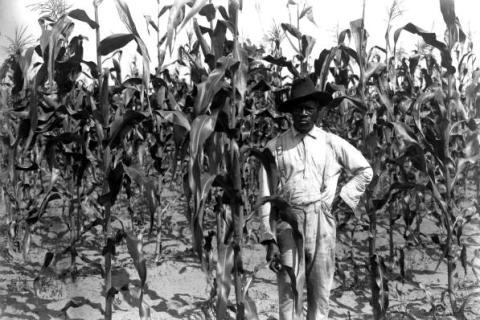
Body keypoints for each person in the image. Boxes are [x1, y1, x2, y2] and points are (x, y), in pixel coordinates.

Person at [258, 77, 373, 320]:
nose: (303, 114)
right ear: (290, 112)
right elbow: (265, 195)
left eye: (308, 108)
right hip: (288, 223)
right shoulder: (274, 147)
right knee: (289, 293)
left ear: (317, 111)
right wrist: (269, 240)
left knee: (320, 292)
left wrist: (344, 198)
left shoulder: (331, 142)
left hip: (322, 223)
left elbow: (365, 170)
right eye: (298, 109)